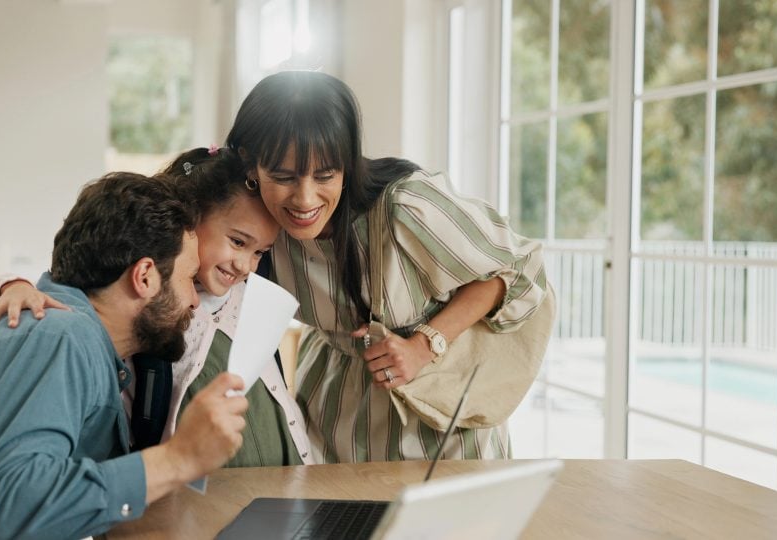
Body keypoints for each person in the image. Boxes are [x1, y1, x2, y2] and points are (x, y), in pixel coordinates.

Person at [0, 172, 249, 539]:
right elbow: (2, 514)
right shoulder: (56, 335)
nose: (196, 302)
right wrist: (178, 459)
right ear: (145, 276)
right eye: (188, 279)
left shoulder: (79, 339)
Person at [225, 71, 549, 463]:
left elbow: (513, 270)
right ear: (250, 164)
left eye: (326, 175)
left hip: (443, 431)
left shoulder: (406, 207)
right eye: (283, 177)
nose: (305, 198)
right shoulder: (257, 229)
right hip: (331, 423)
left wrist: (424, 344)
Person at [0, 147, 313, 467]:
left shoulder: (249, 294)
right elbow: (67, 288)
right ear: (189, 220)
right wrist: (12, 286)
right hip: (188, 486)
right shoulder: (147, 299)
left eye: (259, 252)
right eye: (238, 242)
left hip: (283, 474)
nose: (246, 265)